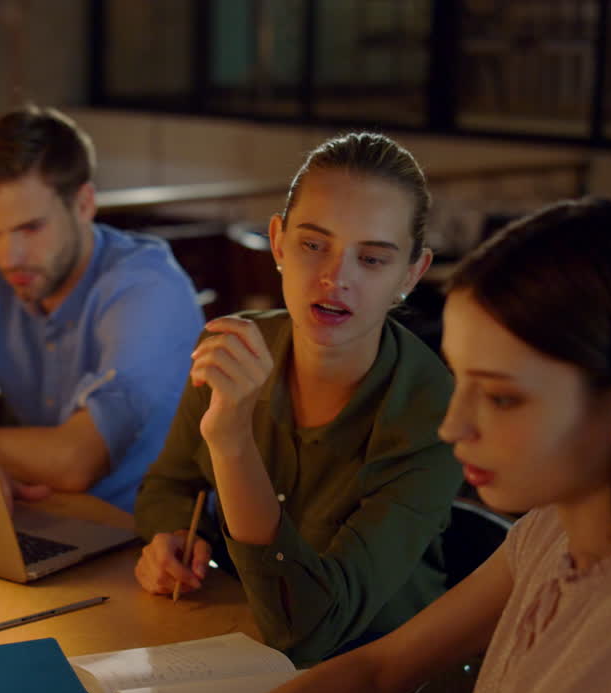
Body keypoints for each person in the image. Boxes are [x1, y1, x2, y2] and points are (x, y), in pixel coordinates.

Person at [230, 197, 611, 693]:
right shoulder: (549, 531)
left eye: (502, 398)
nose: (452, 426)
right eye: (460, 381)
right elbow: (378, 671)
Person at [133, 132, 463, 665]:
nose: (336, 278)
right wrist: (171, 537)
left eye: (373, 259)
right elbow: (167, 486)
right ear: (279, 243)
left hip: (381, 676)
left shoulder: (433, 411)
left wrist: (233, 443)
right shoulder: (233, 346)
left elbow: (309, 631)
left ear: (412, 273)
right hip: (233, 641)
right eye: (314, 245)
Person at [0, 106, 203, 513]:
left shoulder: (144, 287)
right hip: (36, 517)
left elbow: (75, 461)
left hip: (140, 539)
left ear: (84, 204)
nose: (8, 256)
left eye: (30, 229)